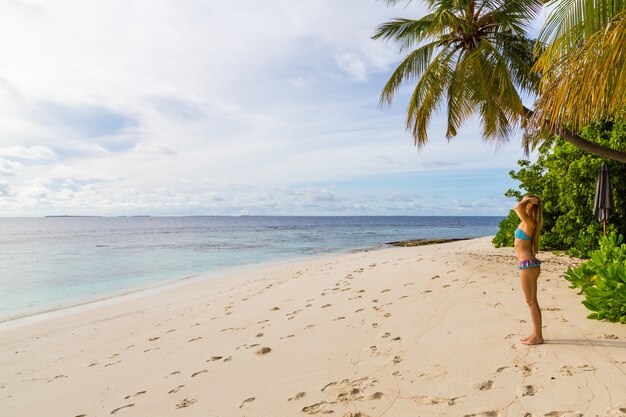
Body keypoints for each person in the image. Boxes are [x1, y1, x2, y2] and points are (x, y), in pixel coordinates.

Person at [514, 194, 544, 345]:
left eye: (526, 202)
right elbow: (519, 208)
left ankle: (538, 336)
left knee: (531, 301)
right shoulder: (526, 221)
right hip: (527, 265)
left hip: (528, 265)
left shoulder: (530, 222)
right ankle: (535, 333)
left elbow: (517, 207)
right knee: (531, 301)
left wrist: (527, 201)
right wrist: (528, 201)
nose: (523, 203)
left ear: (530, 205)